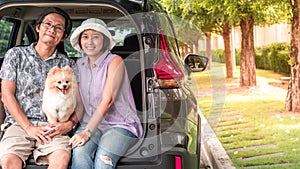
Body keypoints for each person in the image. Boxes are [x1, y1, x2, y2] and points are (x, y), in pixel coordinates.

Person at [0, 7, 83, 169]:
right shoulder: (15, 55)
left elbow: (79, 102)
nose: (52, 30)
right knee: (9, 161)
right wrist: (29, 128)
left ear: (63, 37)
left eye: (58, 28)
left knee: (61, 158)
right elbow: (6, 94)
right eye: (48, 24)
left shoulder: (69, 65)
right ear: (38, 27)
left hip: (54, 126)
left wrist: (69, 124)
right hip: (19, 124)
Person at [69, 18, 143, 169]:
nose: (90, 41)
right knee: (79, 153)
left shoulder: (115, 61)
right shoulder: (78, 65)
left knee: (104, 160)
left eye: (96, 36)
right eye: (85, 36)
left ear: (104, 41)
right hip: (89, 123)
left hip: (119, 124)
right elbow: (78, 102)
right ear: (80, 41)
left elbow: (107, 100)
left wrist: (87, 132)